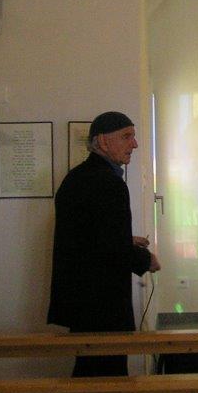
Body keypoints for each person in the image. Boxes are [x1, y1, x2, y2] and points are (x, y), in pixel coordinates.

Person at [47, 111, 160, 377]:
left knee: (90, 371)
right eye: (126, 136)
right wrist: (146, 260)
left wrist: (125, 239)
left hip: (81, 300)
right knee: (106, 377)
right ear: (103, 142)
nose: (134, 144)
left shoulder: (77, 177)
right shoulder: (108, 183)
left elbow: (87, 235)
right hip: (101, 302)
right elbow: (111, 248)